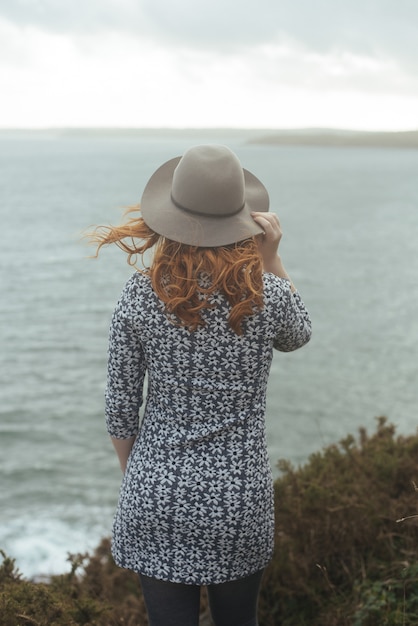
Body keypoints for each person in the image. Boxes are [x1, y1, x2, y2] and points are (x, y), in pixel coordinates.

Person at [88, 145, 312, 626]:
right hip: (238, 500)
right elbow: (299, 336)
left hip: (156, 493)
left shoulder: (140, 293)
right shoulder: (266, 295)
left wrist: (137, 478)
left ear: (169, 218)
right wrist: (270, 259)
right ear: (243, 218)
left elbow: (121, 406)